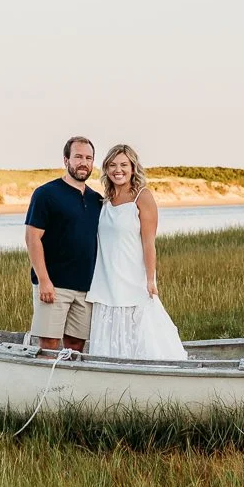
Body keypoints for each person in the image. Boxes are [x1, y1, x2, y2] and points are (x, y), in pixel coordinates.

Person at [85, 144, 189, 360]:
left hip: (133, 278)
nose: (118, 170)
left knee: (141, 330)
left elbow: (149, 243)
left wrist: (150, 279)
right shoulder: (106, 199)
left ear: (133, 167)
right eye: (112, 165)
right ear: (106, 169)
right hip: (106, 280)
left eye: (124, 164)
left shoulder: (143, 197)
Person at [24, 135, 102, 354]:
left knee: (76, 346)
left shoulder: (97, 200)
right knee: (48, 346)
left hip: (86, 288)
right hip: (54, 286)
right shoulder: (46, 194)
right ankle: (49, 389)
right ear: (66, 160)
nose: (83, 162)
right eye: (78, 157)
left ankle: (70, 389)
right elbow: (32, 238)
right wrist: (44, 281)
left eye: (88, 158)